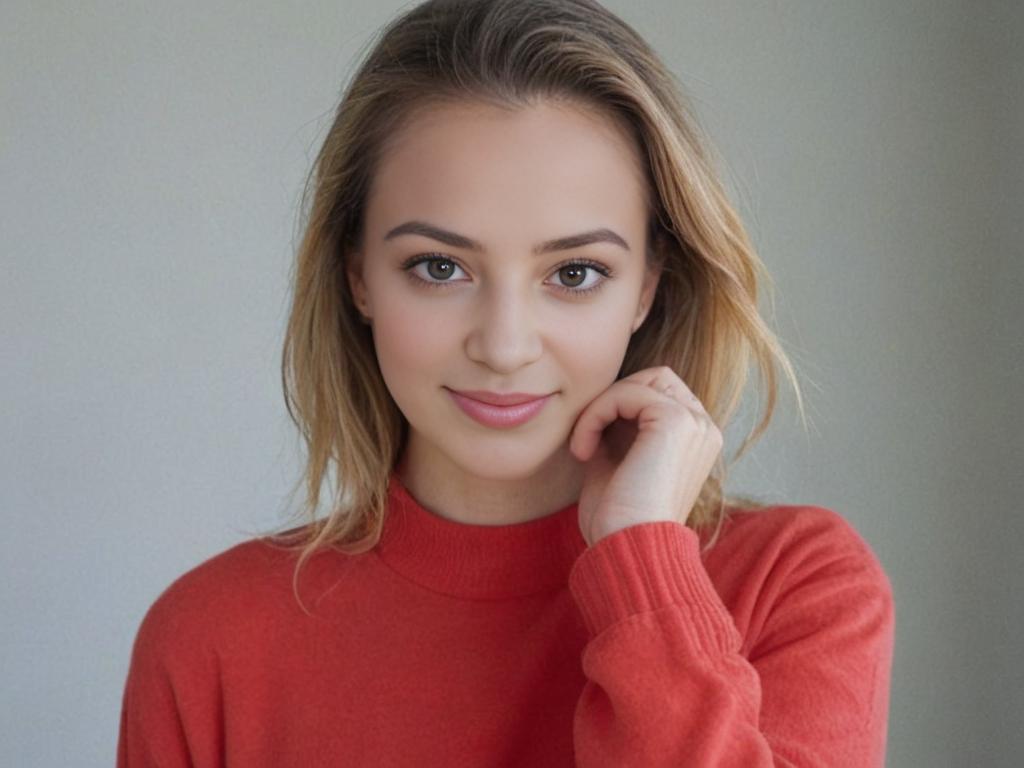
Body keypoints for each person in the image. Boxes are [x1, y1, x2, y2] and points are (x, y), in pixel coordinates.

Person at [116, 0, 895, 765]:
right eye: (440, 267)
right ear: (359, 277)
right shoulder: (208, 640)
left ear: (648, 287)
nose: (504, 345)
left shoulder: (797, 586)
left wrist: (643, 569)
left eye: (576, 273)